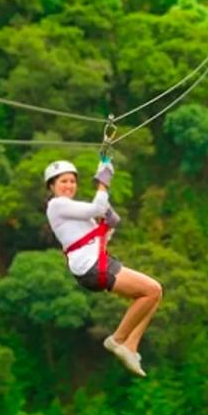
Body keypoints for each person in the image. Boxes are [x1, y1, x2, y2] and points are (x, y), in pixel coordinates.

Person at [44, 160, 162, 377]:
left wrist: (108, 223)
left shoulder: (72, 209)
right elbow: (97, 207)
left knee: (153, 294)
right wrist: (103, 182)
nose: (68, 185)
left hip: (95, 264)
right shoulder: (57, 205)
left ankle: (130, 346)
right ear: (51, 186)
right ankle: (117, 340)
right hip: (92, 266)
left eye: (72, 181)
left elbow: (99, 228)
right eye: (63, 181)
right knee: (152, 290)